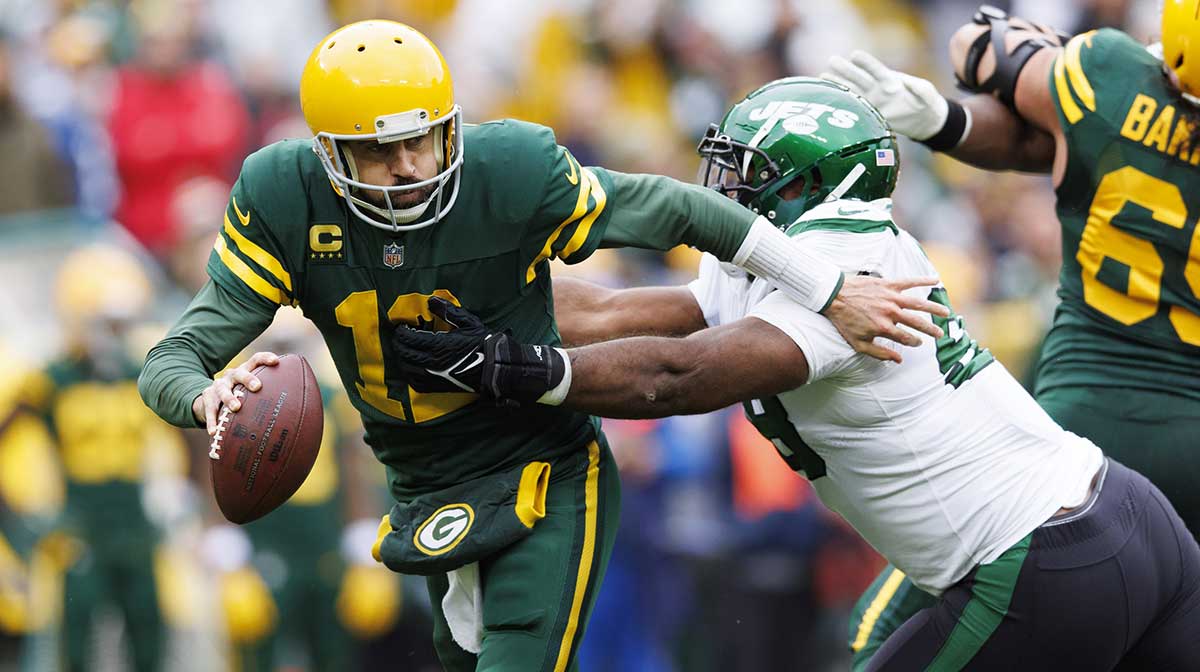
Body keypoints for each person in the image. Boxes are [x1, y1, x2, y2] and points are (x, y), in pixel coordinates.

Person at [136, 20, 947, 672]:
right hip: (422, 485)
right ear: (327, 153)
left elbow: (677, 209)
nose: (410, 166)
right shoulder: (284, 196)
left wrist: (826, 288)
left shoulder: (509, 170)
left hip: (543, 468)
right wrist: (206, 396)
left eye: (424, 139)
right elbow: (171, 361)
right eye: (379, 150)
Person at [391, 77, 1200, 670]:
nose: (728, 187)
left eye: (748, 168)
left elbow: (679, 375)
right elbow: (617, 312)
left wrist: (517, 370)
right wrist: (465, 294)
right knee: (871, 644)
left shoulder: (848, 272)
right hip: (1115, 521)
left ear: (814, 181)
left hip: (1042, 556)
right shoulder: (790, 262)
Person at [821, 3, 1200, 665]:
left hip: (1086, 426)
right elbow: (1057, 139)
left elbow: (976, 47)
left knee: (884, 631)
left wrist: (951, 118)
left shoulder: (1111, 76)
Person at [4, 245, 185, 672]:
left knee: (149, 637)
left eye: (123, 323)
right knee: (76, 644)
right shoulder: (51, 379)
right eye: (107, 323)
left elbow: (191, 429)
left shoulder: (143, 373)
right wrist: (23, 513)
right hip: (80, 529)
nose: (116, 334)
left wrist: (181, 489)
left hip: (136, 524)